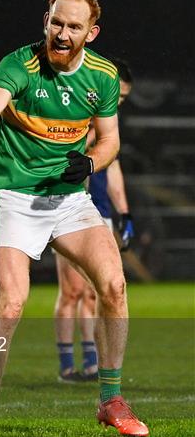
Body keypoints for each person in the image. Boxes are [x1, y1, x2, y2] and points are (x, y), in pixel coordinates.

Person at [0, 0, 149, 437]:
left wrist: (93, 162)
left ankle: (111, 400)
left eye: (73, 26)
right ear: (46, 20)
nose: (62, 32)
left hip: (69, 201)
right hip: (15, 198)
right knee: (11, 304)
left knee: (114, 285)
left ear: (91, 33)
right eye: (56, 22)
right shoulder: (19, 65)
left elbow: (110, 140)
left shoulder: (102, 76)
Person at [54, 59, 134, 383]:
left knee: (95, 292)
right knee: (71, 292)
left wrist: (124, 213)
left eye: (125, 98)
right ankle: (66, 365)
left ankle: (89, 363)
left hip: (100, 211)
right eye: (118, 94)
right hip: (70, 209)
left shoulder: (108, 125)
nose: (119, 102)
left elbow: (113, 168)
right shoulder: (82, 115)